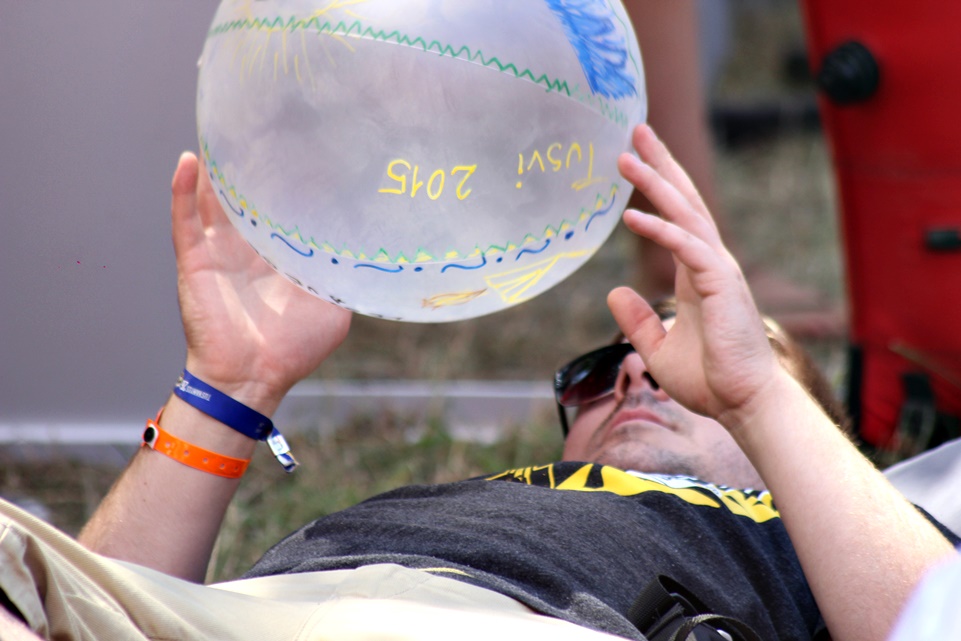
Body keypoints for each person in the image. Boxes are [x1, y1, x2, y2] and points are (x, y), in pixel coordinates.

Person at [0, 125, 955, 641]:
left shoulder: (825, 546)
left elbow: (929, 625)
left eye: (699, 365)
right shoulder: (453, 501)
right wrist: (228, 383)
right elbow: (98, 601)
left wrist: (755, 392)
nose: (634, 366)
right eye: (599, 371)